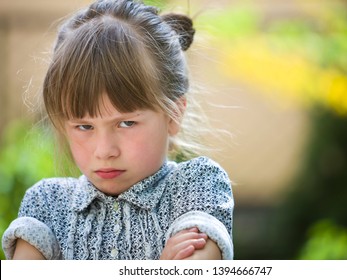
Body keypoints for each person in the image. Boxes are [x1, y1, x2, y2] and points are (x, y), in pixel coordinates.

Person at [1, 0, 234, 260]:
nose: (104, 151)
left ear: (174, 114)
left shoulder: (195, 187)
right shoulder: (47, 205)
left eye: (126, 123)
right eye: (84, 126)